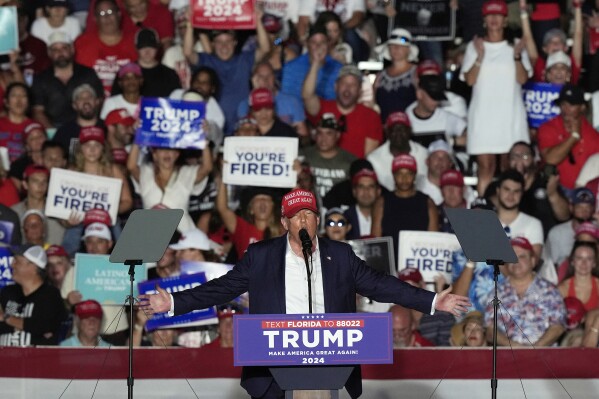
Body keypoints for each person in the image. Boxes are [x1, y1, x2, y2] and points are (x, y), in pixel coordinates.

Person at [139, 188, 471, 398]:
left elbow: (381, 284)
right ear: (284, 223)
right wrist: (172, 302)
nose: (303, 219)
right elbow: (221, 289)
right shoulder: (261, 256)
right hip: (272, 366)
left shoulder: (339, 256)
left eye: (309, 214)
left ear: (317, 220)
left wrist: (431, 299)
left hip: (328, 363)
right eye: (296, 215)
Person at [461, 0, 531, 195]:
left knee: (508, 170)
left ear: (505, 20)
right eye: (490, 15)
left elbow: (523, 78)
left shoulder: (516, 46)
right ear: (484, 20)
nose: (494, 19)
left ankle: (507, 214)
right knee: (486, 168)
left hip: (510, 115)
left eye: (498, 15)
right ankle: (482, 211)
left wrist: (517, 56)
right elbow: (469, 80)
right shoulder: (474, 46)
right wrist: (480, 56)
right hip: (484, 115)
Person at [183, 9, 270, 135]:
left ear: (235, 43)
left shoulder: (244, 59)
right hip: (212, 127)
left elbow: (266, 48)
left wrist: (258, 21)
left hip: (242, 129)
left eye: (228, 41)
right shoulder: (206, 60)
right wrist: (190, 25)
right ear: (213, 44)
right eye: (219, 42)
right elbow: (187, 53)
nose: (224, 46)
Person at [485, 237, 566, 347]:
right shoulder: (496, 293)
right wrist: (513, 347)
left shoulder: (550, 291)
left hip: (543, 357)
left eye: (522, 256)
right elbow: (489, 330)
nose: (516, 261)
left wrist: (534, 349)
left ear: (533, 261)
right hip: (506, 357)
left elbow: (558, 327)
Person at [127, 141, 212, 233]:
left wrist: (204, 141)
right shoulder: (146, 173)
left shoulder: (186, 173)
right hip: (150, 235)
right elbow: (131, 166)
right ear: (154, 154)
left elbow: (207, 168)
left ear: (177, 154)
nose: (167, 153)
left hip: (182, 235)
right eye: (162, 149)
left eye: (171, 150)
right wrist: (138, 137)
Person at [304, 64, 384, 158]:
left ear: (359, 90)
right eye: (344, 83)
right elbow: (307, 96)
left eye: (353, 85)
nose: (347, 88)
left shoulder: (371, 117)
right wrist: (315, 63)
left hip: (355, 170)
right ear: (336, 86)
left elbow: (369, 157)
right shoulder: (322, 108)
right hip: (322, 169)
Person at [31, 31, 103, 130]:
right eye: (55, 49)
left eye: (64, 48)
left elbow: (99, 102)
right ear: (49, 53)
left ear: (72, 49)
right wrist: (54, 135)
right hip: (53, 130)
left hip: (85, 128)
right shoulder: (41, 78)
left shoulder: (87, 74)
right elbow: (38, 111)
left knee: (75, 145)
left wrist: (89, 126)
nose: (60, 53)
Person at [0, 244, 67, 346]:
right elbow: (3, 328)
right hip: (6, 359)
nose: (12, 265)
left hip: (38, 360)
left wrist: (7, 318)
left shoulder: (50, 295)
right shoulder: (9, 293)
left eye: (17, 261)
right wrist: (24, 325)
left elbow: (44, 326)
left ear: (34, 267)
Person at [372, 154, 438, 255]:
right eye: (400, 174)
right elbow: (375, 242)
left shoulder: (428, 203)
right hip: (390, 265)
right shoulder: (381, 202)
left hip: (418, 264)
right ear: (393, 175)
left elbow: (433, 243)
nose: (404, 178)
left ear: (415, 175)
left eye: (409, 174)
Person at [537, 84, 599, 190]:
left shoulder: (593, 136)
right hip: (555, 190)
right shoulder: (548, 128)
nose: (566, 109)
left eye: (572, 105)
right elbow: (550, 159)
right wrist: (573, 137)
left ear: (582, 107)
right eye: (563, 104)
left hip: (583, 194)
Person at [74, 0, 138, 97]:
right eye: (102, 13)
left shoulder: (134, 41)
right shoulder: (82, 43)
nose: (107, 17)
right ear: (95, 18)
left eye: (110, 12)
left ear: (119, 14)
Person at [507, 141, 570, 237]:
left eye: (524, 156)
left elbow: (564, 216)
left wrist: (553, 195)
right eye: (514, 157)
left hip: (544, 243)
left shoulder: (545, 183)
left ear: (534, 160)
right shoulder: (499, 186)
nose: (519, 160)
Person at [367, 111, 428, 192]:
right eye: (394, 129)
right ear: (387, 132)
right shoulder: (373, 159)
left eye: (402, 129)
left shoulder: (424, 154)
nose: (398, 133)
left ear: (409, 131)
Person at [281, 25, 343, 104]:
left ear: (328, 44)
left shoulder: (338, 69)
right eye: (314, 42)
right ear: (307, 44)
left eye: (323, 42)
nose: (318, 46)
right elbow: (288, 98)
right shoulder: (291, 68)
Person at [300, 112, 356, 199]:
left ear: (337, 135)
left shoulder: (351, 161)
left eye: (329, 133)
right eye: (320, 133)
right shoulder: (302, 156)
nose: (323, 138)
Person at [405, 74, 467, 149]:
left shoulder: (446, 118)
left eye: (438, 97)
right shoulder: (406, 119)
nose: (436, 102)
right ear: (419, 94)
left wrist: (451, 141)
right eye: (432, 97)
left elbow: (471, 135)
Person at [494, 169, 544, 259]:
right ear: (498, 191)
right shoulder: (484, 222)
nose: (511, 195)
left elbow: (534, 261)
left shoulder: (533, 224)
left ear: (522, 194)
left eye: (516, 191)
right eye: (506, 189)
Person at [11, 164, 65, 246]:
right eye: (35, 181)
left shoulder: (57, 211)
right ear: (25, 184)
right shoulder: (14, 212)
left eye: (44, 182)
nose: (40, 186)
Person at [545, 188, 596, 271]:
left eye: (588, 207)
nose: (584, 211)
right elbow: (549, 266)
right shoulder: (557, 233)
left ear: (593, 209)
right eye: (579, 207)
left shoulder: (596, 231)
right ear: (571, 207)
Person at [373, 28, 419, 121]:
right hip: (385, 127)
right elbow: (374, 103)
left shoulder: (417, 72)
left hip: (409, 128)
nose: (396, 48)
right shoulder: (380, 75)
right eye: (393, 45)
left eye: (401, 46)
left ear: (408, 50)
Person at [52, 83, 104, 157]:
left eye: (90, 97)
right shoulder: (64, 131)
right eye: (81, 98)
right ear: (74, 105)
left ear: (97, 102)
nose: (86, 101)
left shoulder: (107, 128)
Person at [133, 28, 180, 98]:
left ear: (157, 47)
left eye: (151, 47)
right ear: (136, 48)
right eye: (143, 47)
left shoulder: (169, 74)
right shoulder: (126, 74)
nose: (147, 52)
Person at [0, 82, 36, 163]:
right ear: (6, 102)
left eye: (23, 96)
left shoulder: (35, 127)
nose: (19, 100)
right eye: (14, 96)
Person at [558, 241, 599, 312]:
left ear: (594, 263)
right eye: (579, 258)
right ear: (573, 261)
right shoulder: (562, 289)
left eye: (589, 259)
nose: (584, 263)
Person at [344, 168, 380, 240]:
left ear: (378, 191)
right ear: (354, 191)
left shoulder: (387, 217)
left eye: (371, 186)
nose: (366, 191)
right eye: (361, 186)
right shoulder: (345, 217)